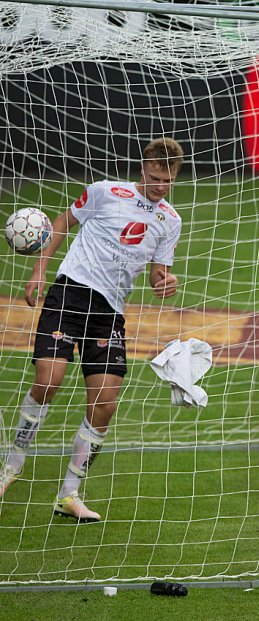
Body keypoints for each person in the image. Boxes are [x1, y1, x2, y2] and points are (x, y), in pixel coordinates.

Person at [0, 138, 185, 522]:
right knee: (49, 380)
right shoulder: (105, 192)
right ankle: (11, 467)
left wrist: (166, 281)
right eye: (154, 177)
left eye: (167, 180)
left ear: (175, 177)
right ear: (142, 170)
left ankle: (69, 494)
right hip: (69, 293)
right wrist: (39, 270)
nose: (160, 185)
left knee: (105, 404)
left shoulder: (170, 220)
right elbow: (63, 223)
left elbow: (157, 274)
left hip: (109, 313)